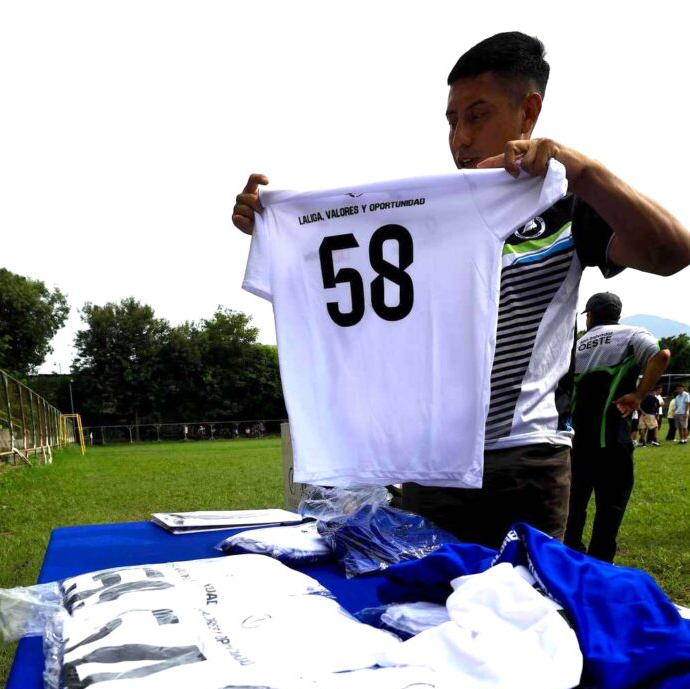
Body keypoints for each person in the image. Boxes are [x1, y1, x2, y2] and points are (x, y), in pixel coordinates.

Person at [232, 32, 690, 549]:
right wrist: (279, 230)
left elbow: (671, 251)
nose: (460, 139)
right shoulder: (429, 214)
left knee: (520, 599)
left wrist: (583, 172)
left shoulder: (567, 204)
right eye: (451, 121)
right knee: (418, 596)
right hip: (431, 461)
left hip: (525, 459)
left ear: (528, 111)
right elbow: (344, 295)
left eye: (477, 116)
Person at [564, 292, 670, 562]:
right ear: (617, 314)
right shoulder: (632, 334)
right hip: (614, 439)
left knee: (573, 505)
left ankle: (569, 557)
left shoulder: (576, 344)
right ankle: (600, 563)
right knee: (610, 507)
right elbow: (661, 356)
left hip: (577, 441)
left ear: (590, 316)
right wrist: (638, 395)